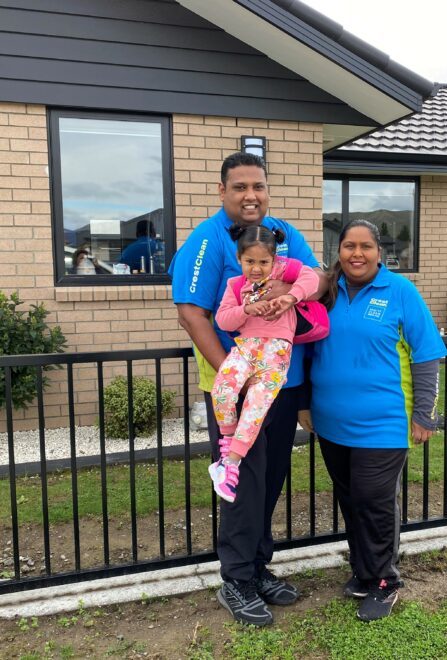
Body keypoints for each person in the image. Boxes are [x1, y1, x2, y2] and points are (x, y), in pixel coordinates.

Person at [168, 152, 325, 627]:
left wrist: (294, 294)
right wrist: (232, 375)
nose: (250, 195)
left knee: (270, 480)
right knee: (242, 483)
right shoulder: (206, 240)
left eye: (257, 186)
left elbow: (316, 283)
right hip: (237, 389)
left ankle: (258, 569)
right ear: (222, 191)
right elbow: (192, 312)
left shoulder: (282, 235)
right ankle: (236, 578)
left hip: (284, 382)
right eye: (239, 187)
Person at [304, 219, 446, 622]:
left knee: (373, 499)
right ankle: (364, 571)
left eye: (365, 246)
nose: (357, 254)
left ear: (379, 252)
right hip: (331, 422)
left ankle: (385, 581)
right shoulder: (326, 292)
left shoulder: (400, 291)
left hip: (383, 422)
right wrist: (305, 404)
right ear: (339, 250)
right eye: (349, 246)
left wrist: (423, 416)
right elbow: (308, 350)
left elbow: (426, 355)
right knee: (351, 499)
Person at [209, 224, 319, 503]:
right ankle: (226, 445)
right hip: (246, 348)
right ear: (238, 259)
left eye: (263, 262)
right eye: (249, 262)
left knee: (255, 406)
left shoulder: (286, 270)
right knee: (222, 389)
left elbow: (312, 278)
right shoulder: (235, 285)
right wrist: (245, 309)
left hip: (276, 352)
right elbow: (222, 320)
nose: (256, 268)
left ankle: (232, 464)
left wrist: (290, 296)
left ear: (275, 259)